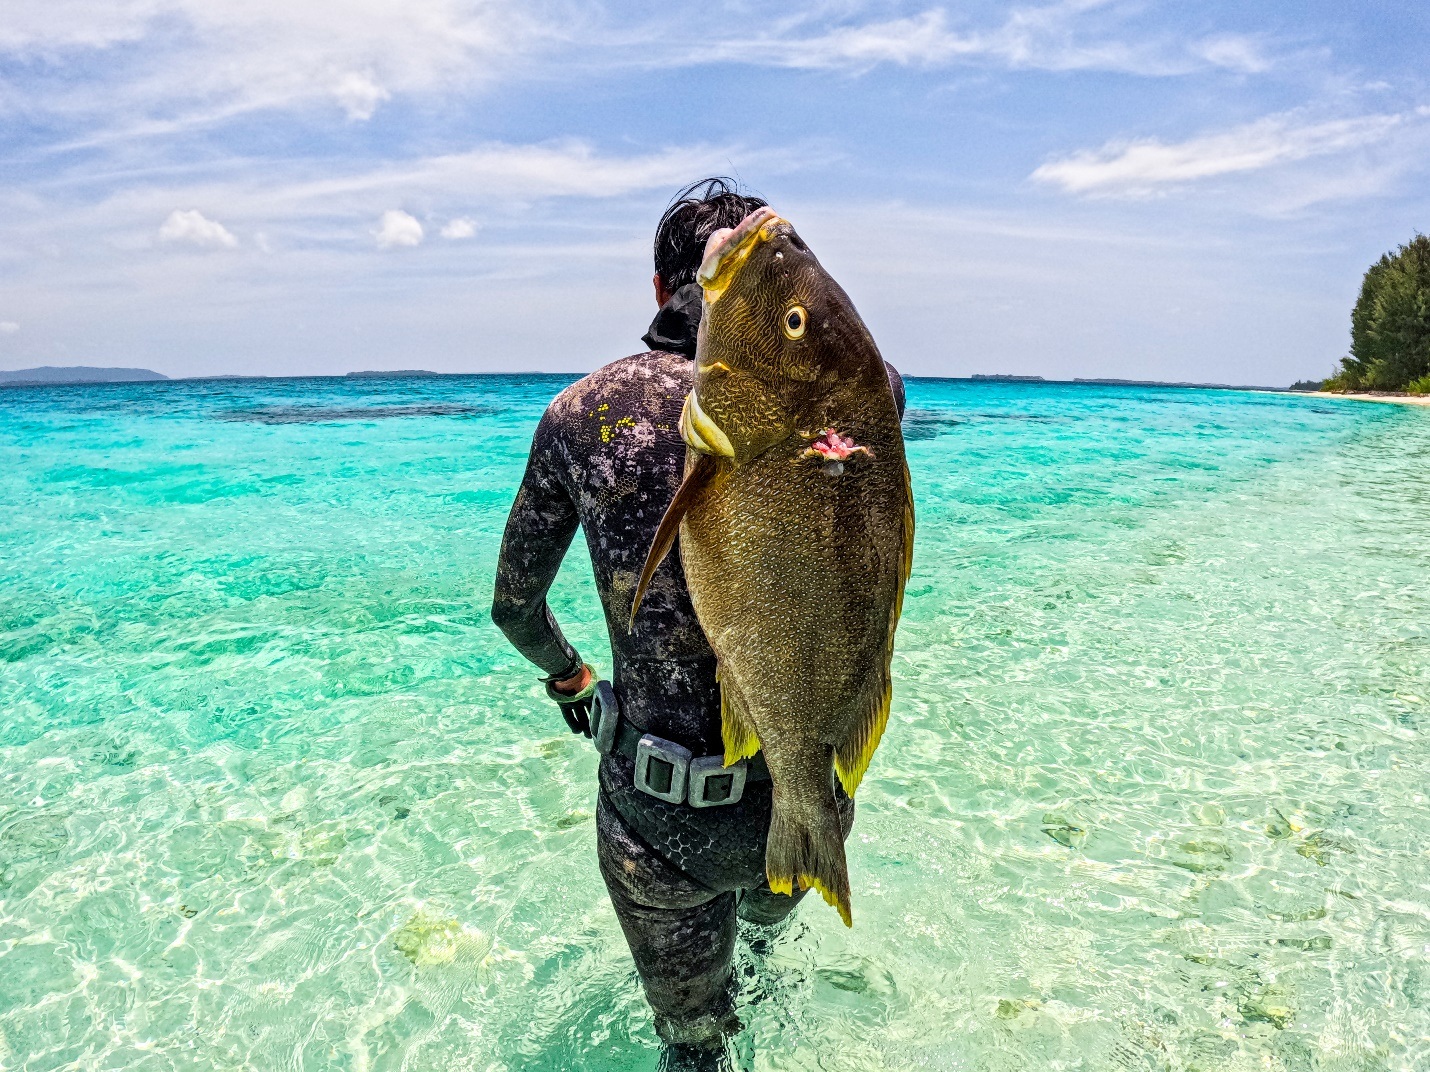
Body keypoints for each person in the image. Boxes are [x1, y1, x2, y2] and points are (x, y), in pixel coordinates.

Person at [491, 178, 904, 1069]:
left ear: (654, 289)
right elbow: (871, 388)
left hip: (657, 825)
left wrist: (571, 679)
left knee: (696, 1045)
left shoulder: (581, 417)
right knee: (763, 963)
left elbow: (513, 606)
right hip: (799, 804)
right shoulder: (851, 402)